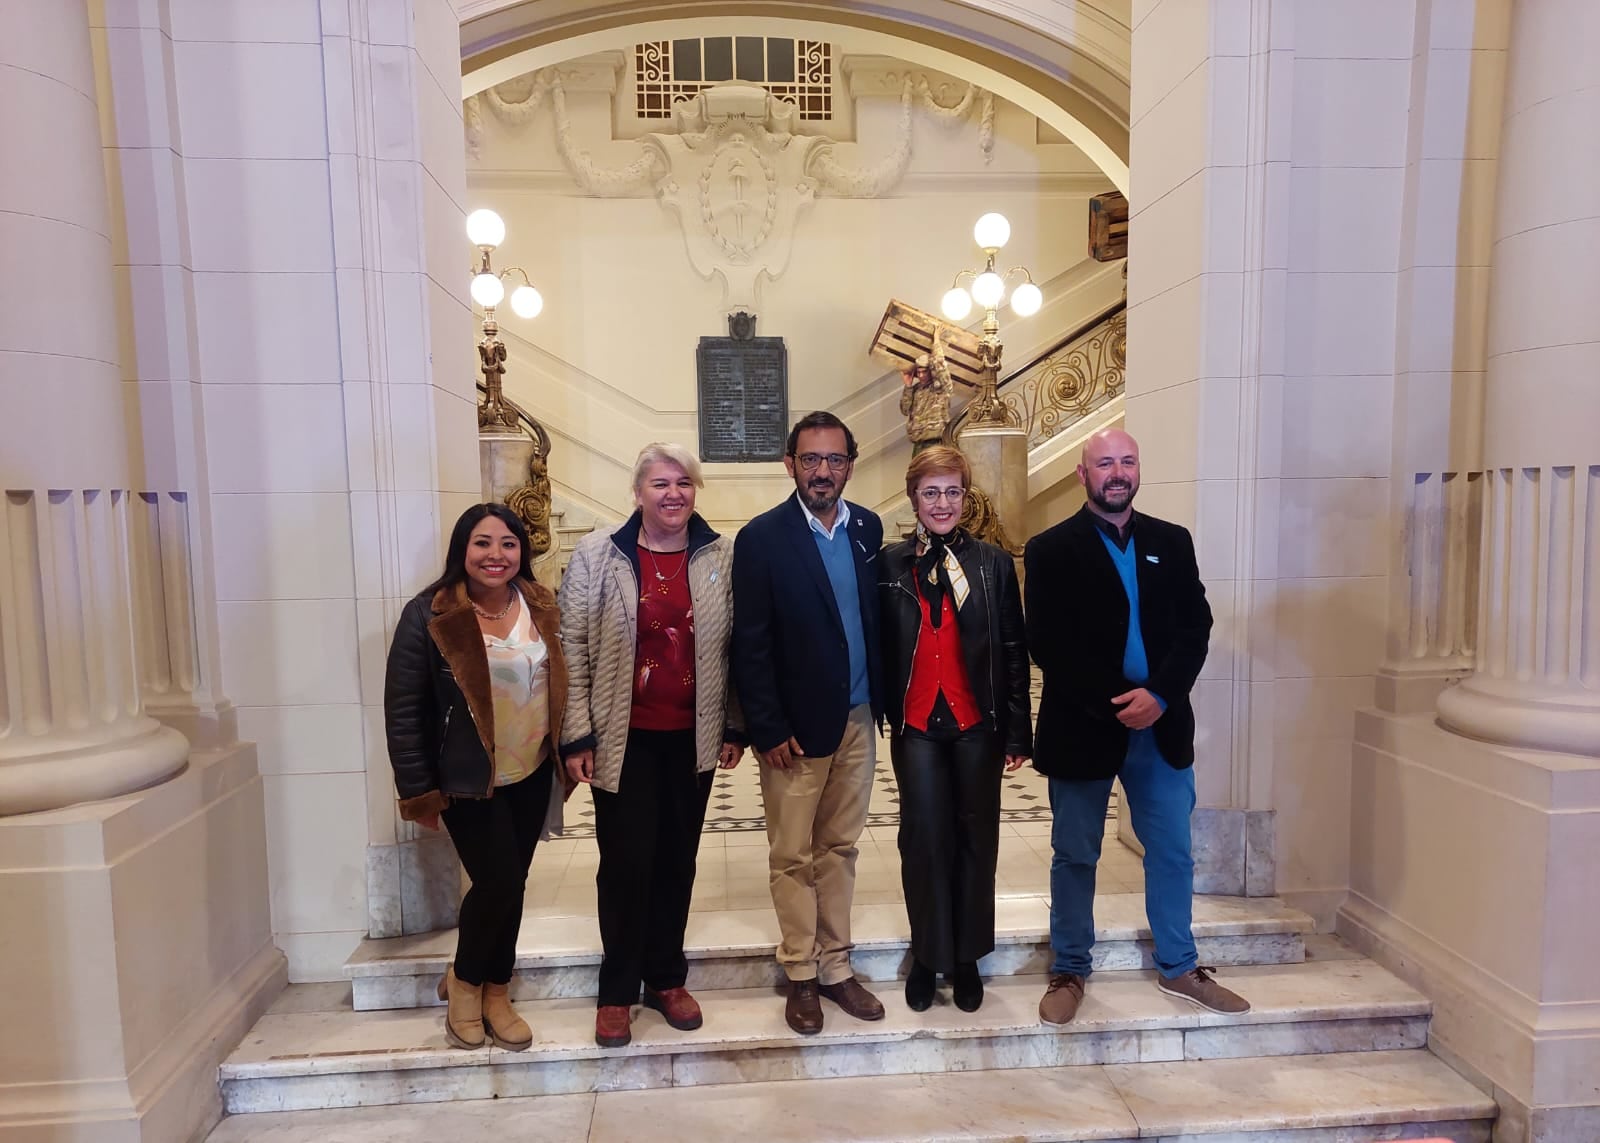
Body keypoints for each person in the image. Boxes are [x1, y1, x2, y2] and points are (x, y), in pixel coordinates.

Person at [1024, 428, 1250, 1025]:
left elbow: (1194, 626)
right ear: (1083, 474)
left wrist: (1160, 695)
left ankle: (1180, 966)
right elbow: (1049, 642)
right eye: (1104, 463)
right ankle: (1070, 967)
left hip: (1163, 728)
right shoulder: (1050, 549)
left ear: (1138, 469)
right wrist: (1120, 701)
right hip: (1083, 726)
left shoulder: (1171, 542)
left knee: (1172, 851)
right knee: (1075, 853)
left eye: (1126, 460)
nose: (1116, 472)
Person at [558, 443, 746, 1049]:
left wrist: (733, 726)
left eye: (684, 484)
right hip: (622, 739)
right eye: (660, 484)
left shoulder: (720, 556)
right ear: (638, 492)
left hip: (690, 739)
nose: (674, 495)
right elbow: (572, 650)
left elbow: (736, 647)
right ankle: (616, 989)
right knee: (625, 865)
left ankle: (665, 976)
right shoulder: (598, 554)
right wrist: (577, 734)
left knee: (676, 861)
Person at [383, 503, 569, 1052]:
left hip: (531, 770)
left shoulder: (540, 603)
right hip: (466, 777)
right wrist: (420, 793)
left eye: (508, 543)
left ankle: (496, 989)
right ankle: (466, 984)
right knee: (499, 883)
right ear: (462, 551)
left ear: (522, 551)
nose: (496, 555)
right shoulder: (430, 614)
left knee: (512, 886)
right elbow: (404, 710)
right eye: (483, 543)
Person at [732, 411, 886, 1035]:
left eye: (835, 460)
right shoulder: (762, 538)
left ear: (851, 463)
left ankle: (837, 967)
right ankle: (800, 973)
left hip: (856, 719)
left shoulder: (868, 529)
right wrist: (765, 726)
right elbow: (750, 641)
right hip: (792, 733)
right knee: (793, 854)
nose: (823, 471)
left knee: (840, 849)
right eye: (811, 459)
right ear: (789, 464)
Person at [878, 446, 1031, 1013]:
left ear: (965, 498)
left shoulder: (992, 564)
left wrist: (1017, 732)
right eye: (931, 492)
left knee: (975, 840)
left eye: (952, 492)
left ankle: (966, 956)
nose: (942, 503)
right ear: (914, 498)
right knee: (923, 841)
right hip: (917, 724)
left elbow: (1014, 650)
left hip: (976, 726)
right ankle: (928, 953)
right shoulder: (891, 563)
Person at [899, 351, 952, 454]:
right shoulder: (915, 390)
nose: (921, 375)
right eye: (918, 373)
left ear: (931, 371)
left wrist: (936, 340)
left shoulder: (940, 387)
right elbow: (905, 410)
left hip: (935, 441)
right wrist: (908, 386)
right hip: (918, 442)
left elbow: (940, 365)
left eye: (924, 372)